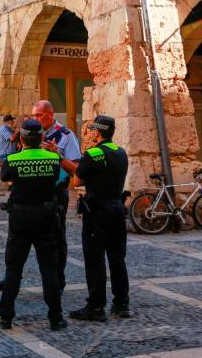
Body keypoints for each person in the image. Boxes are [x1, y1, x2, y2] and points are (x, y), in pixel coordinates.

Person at [0, 119, 67, 331]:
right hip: (46, 217)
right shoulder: (53, 158)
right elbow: (59, 179)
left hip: (20, 218)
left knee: (13, 269)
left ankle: (6, 315)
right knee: (49, 269)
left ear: (22, 139)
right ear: (42, 137)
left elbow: (5, 177)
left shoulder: (13, 159)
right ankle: (56, 317)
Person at [69, 115, 130, 322]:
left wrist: (62, 161)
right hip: (117, 208)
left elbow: (77, 180)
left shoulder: (92, 153)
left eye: (92, 129)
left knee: (95, 260)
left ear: (97, 131)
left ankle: (96, 306)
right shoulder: (121, 153)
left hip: (97, 212)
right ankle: (122, 303)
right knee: (117, 258)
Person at [31, 100, 80, 293]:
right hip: (34, 193)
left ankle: (58, 279)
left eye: (39, 115)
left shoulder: (66, 136)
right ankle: (14, 277)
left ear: (50, 115)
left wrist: (56, 153)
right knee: (25, 237)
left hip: (56, 193)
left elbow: (76, 169)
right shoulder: (32, 135)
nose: (35, 119)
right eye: (33, 115)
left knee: (57, 237)